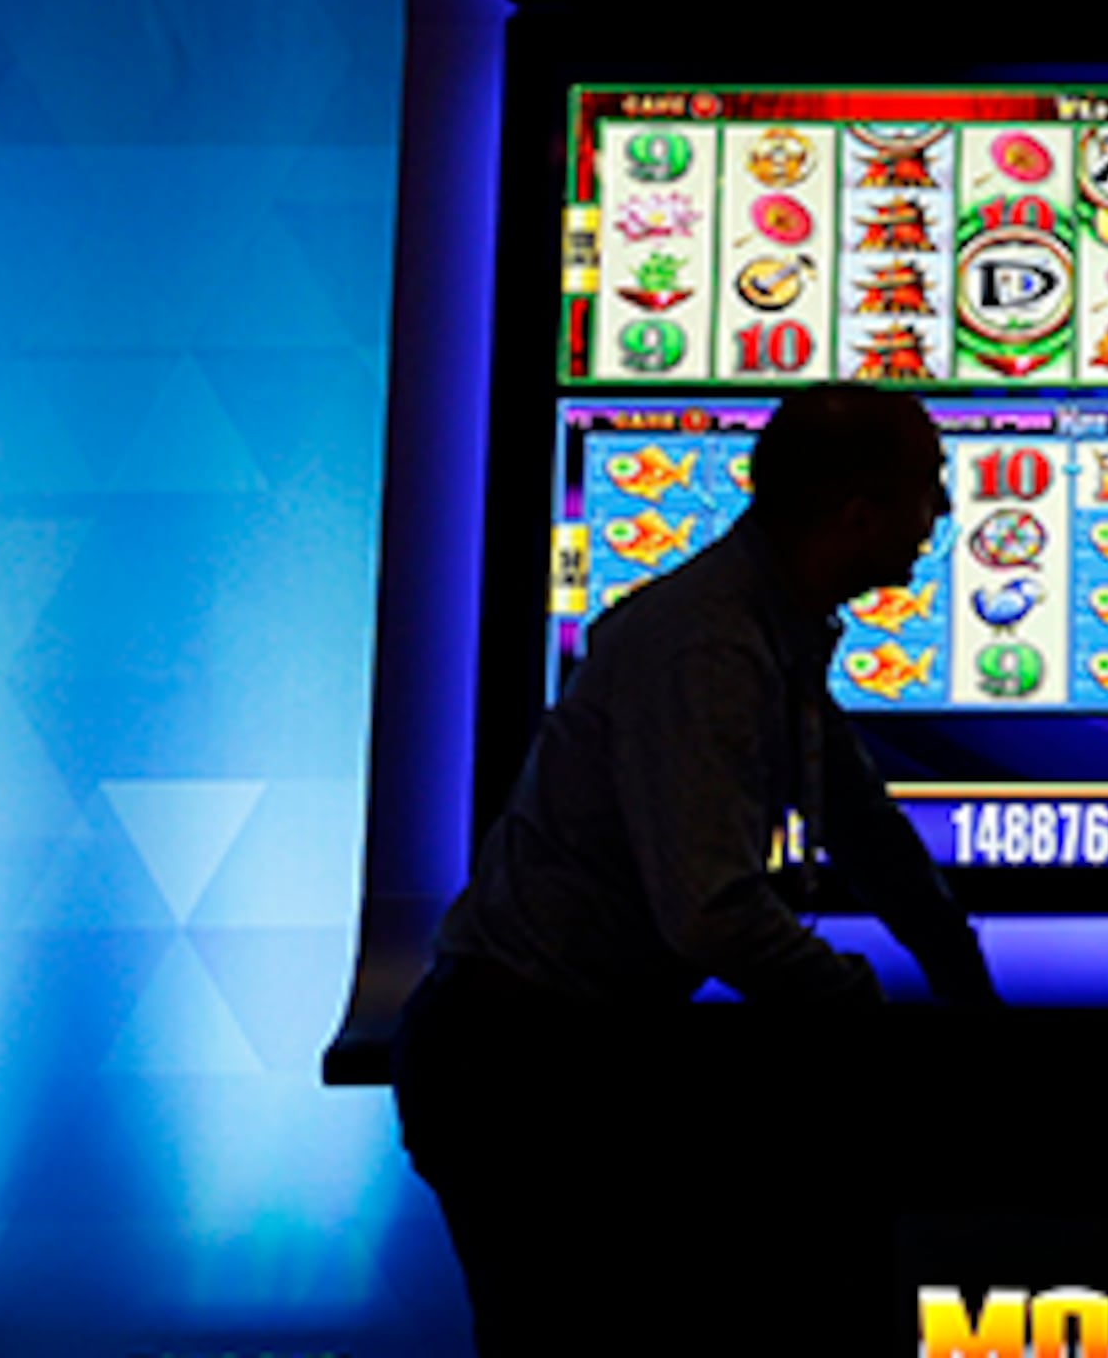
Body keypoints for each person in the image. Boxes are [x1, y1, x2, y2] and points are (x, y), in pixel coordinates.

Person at [393, 383, 998, 1353]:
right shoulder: (711, 643)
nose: (946, 513)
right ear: (858, 514)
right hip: (513, 1062)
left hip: (562, 1050)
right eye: (931, 487)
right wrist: (856, 1003)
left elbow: (858, 820)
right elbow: (711, 913)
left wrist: (956, 965)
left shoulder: (772, 624)